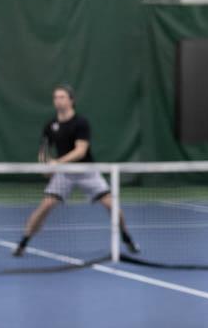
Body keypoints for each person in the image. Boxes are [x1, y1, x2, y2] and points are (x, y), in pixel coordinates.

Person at [13, 85, 139, 256]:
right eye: (56, 97)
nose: (58, 100)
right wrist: (44, 164)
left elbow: (81, 151)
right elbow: (43, 151)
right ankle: (23, 243)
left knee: (112, 206)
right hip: (64, 175)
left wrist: (57, 163)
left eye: (62, 97)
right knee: (45, 207)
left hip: (87, 172)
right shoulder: (50, 125)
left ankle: (127, 238)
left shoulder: (81, 123)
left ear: (71, 100)